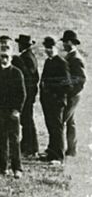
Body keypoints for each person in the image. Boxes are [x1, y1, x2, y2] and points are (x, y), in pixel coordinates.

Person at [0, 45, 26, 177]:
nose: (4, 60)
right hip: (0, 111)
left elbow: (22, 94)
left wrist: (17, 110)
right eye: (2, 57)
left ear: (11, 58)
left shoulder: (17, 73)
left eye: (6, 57)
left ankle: (17, 168)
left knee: (14, 140)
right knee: (2, 139)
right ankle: (2, 167)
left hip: (12, 112)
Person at [39, 36, 70, 164]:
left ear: (55, 47)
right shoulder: (48, 61)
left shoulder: (61, 63)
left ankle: (58, 156)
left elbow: (67, 85)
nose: (48, 50)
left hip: (56, 102)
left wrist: (55, 95)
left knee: (56, 128)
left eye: (50, 48)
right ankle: (51, 152)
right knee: (51, 127)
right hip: (47, 101)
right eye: (46, 48)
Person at [13, 34, 39, 157]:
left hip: (26, 94)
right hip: (30, 93)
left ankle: (29, 147)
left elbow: (27, 76)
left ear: (22, 45)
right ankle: (31, 146)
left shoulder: (24, 58)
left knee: (26, 120)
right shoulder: (31, 56)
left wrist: (18, 62)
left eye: (19, 44)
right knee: (28, 120)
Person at [61, 28, 84, 159]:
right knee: (70, 122)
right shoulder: (71, 56)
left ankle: (63, 150)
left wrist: (70, 93)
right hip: (73, 95)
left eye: (65, 42)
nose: (63, 45)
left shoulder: (76, 58)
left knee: (64, 120)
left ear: (70, 42)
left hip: (73, 96)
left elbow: (81, 80)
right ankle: (71, 150)